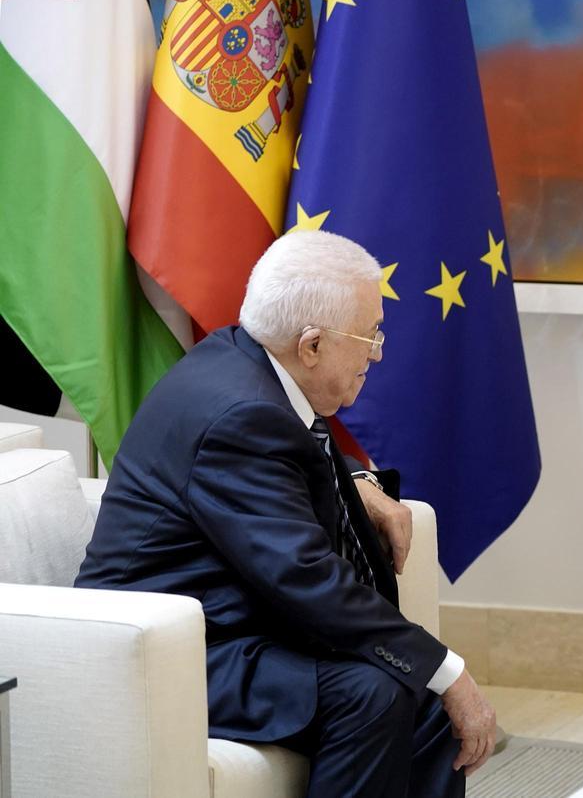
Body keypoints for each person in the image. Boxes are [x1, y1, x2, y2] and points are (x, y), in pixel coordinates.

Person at [77, 231, 494, 798]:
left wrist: (357, 478)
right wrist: (449, 669)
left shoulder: (245, 362)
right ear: (312, 345)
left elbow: (296, 453)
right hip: (174, 651)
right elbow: (307, 578)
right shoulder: (241, 416)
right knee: (375, 691)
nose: (377, 353)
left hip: (232, 623)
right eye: (370, 335)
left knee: (422, 693)